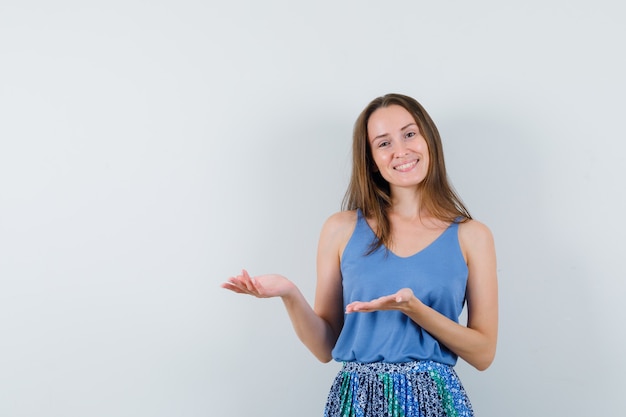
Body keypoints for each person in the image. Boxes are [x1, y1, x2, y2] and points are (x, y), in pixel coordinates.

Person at [221, 93, 498, 417]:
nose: (401, 150)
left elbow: (483, 354)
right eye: (383, 143)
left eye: (409, 134)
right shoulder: (340, 229)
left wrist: (415, 310)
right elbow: (326, 348)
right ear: (371, 159)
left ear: (428, 139)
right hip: (357, 402)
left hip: (434, 403)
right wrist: (288, 292)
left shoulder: (472, 236)